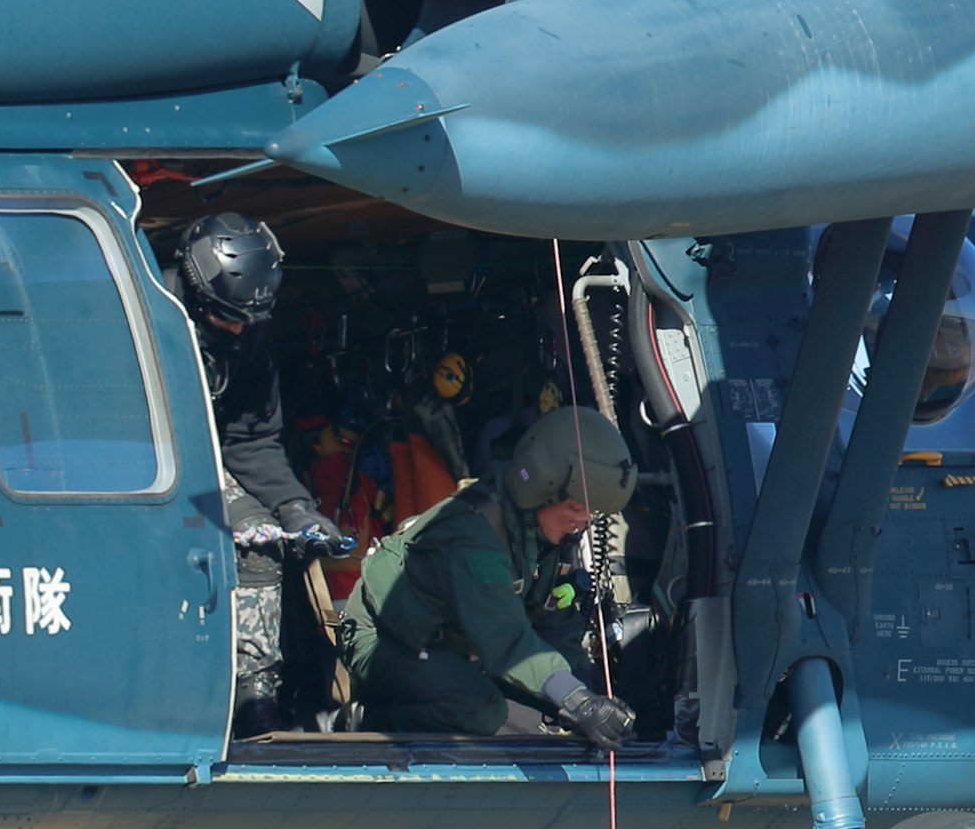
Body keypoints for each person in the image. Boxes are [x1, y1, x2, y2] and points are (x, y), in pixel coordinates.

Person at [338, 404, 644, 744]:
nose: (581, 522)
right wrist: (578, 704)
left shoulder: (546, 536)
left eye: (589, 514)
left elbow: (555, 622)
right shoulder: (475, 536)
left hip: (457, 641)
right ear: (541, 488)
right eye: (574, 508)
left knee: (547, 712)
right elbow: (504, 637)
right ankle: (370, 717)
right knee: (479, 709)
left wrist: (586, 692)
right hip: (389, 639)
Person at [158, 213, 351, 729]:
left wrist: (297, 510)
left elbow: (253, 440)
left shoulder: (248, 341)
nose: (240, 329)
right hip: (140, 463)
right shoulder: (150, 319)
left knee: (267, 542)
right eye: (228, 319)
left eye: (249, 320)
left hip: (204, 465)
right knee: (242, 537)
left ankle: (254, 688)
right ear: (198, 298)